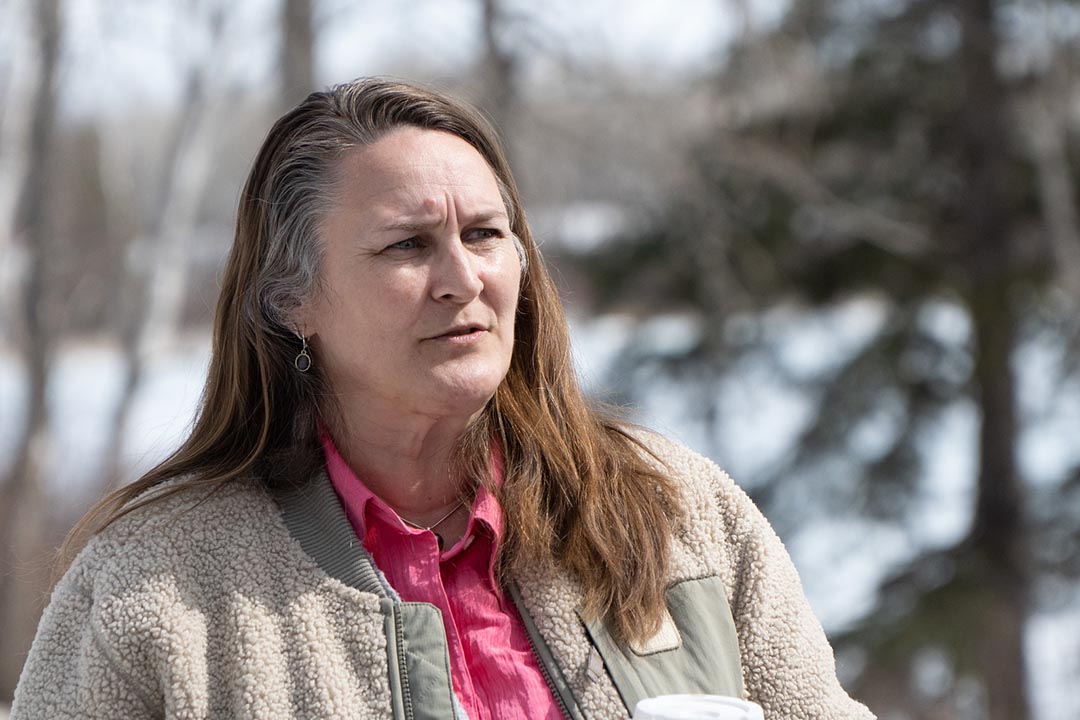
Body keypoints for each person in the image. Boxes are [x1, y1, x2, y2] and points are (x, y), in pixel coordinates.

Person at [11, 78, 874, 719]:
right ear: (292, 299)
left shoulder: (679, 515)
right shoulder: (154, 589)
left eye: (486, 235)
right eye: (407, 246)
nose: (463, 279)